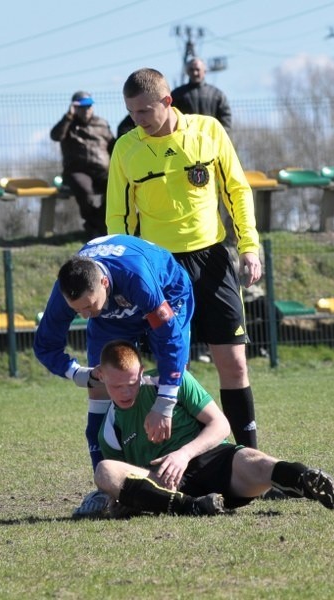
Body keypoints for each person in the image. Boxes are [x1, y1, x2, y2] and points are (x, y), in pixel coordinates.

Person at [107, 68, 263, 455]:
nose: (138, 120)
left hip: (212, 261)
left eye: (145, 111)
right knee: (173, 370)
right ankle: (178, 457)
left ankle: (249, 457)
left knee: (235, 365)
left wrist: (248, 245)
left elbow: (237, 191)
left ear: (167, 101)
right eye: (131, 112)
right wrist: (121, 270)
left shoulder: (208, 132)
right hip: (159, 270)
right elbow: (118, 218)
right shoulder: (126, 148)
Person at [34, 234, 194, 518]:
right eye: (77, 310)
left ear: (104, 284)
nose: (83, 315)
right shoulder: (68, 293)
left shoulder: (136, 277)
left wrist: (165, 404)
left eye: (88, 306)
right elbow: (45, 344)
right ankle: (106, 489)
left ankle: (185, 475)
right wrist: (77, 373)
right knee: (100, 386)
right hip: (111, 318)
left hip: (168, 293)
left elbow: (170, 339)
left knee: (174, 375)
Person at [94, 340, 334, 517]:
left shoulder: (171, 381)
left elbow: (221, 424)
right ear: (102, 377)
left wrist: (183, 455)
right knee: (105, 471)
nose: (126, 392)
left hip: (211, 460)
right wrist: (123, 499)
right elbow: (126, 478)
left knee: (255, 460)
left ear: (140, 371)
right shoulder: (109, 427)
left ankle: (305, 479)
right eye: (117, 387)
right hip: (166, 483)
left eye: (131, 383)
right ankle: (191, 507)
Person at [50, 91, 115, 239]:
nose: (86, 110)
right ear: (74, 107)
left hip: (101, 170)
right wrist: (68, 117)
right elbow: (56, 136)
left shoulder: (101, 124)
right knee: (85, 191)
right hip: (77, 170)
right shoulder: (68, 125)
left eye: (89, 106)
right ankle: (94, 226)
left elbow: (113, 145)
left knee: (117, 187)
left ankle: (100, 223)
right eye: (82, 107)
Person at [171, 58, 232, 132]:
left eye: (197, 69)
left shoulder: (217, 95)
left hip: (211, 139)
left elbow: (226, 121)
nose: (195, 73)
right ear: (187, 72)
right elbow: (171, 117)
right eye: (191, 69)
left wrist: (217, 136)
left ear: (204, 71)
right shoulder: (177, 94)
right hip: (186, 140)